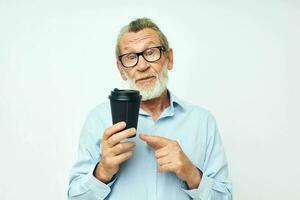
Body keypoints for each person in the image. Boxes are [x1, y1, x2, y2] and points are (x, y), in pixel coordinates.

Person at [68, 18, 232, 200]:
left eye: (150, 52)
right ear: (121, 70)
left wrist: (191, 174)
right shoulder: (98, 119)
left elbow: (225, 197)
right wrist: (103, 171)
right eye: (131, 57)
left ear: (169, 59)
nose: (142, 65)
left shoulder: (202, 120)